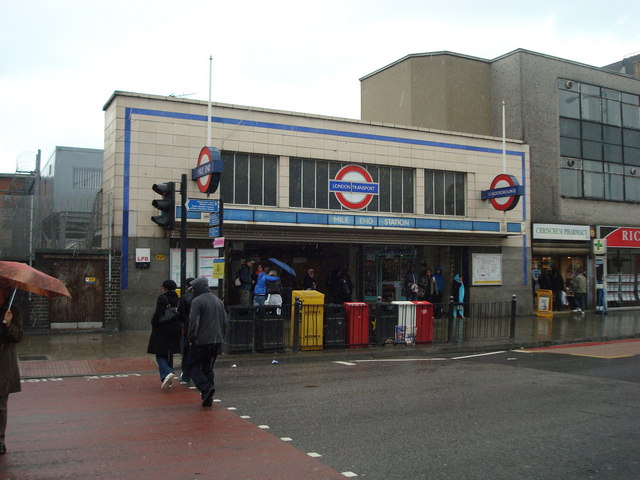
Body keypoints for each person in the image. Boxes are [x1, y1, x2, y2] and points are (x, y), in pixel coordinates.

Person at [187, 276, 228, 407]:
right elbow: (225, 322)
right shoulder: (218, 301)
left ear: (198, 287)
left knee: (193, 366)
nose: (192, 290)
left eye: (193, 288)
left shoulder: (197, 301)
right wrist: (221, 336)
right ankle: (208, 397)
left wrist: (191, 337)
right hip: (216, 340)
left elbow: (194, 322)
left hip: (201, 340)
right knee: (208, 367)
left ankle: (206, 388)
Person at [146, 279, 182, 392]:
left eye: (163, 287)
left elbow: (158, 314)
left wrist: (154, 323)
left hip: (163, 329)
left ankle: (167, 372)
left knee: (159, 353)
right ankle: (167, 380)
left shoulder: (162, 298)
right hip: (175, 329)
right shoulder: (178, 298)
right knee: (169, 353)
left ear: (165, 288)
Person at [0, 287, 23, 455]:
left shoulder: (13, 311)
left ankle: (0, 440)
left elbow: (19, 336)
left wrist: (9, 324)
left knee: (0, 406)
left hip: (3, 365)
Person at [177, 277, 195, 384]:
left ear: (187, 286)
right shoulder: (201, 296)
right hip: (200, 329)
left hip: (188, 329)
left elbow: (181, 315)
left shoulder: (184, 298)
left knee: (187, 352)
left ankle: (186, 375)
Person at [451, 274, 465, 342]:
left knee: (461, 305)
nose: (461, 278)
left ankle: (461, 314)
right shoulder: (456, 283)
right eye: (460, 277)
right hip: (457, 296)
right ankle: (455, 315)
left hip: (461, 296)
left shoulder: (461, 283)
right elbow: (455, 289)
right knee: (455, 306)